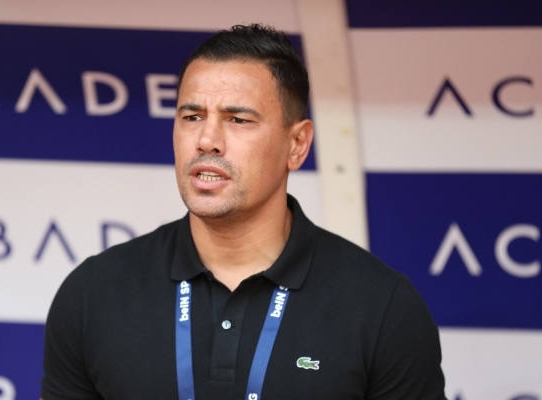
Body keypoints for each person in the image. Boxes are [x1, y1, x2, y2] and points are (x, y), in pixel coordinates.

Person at [41, 24, 446, 399]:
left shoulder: (382, 307)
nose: (207, 140)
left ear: (297, 145)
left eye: (237, 119)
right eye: (192, 116)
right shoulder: (93, 293)